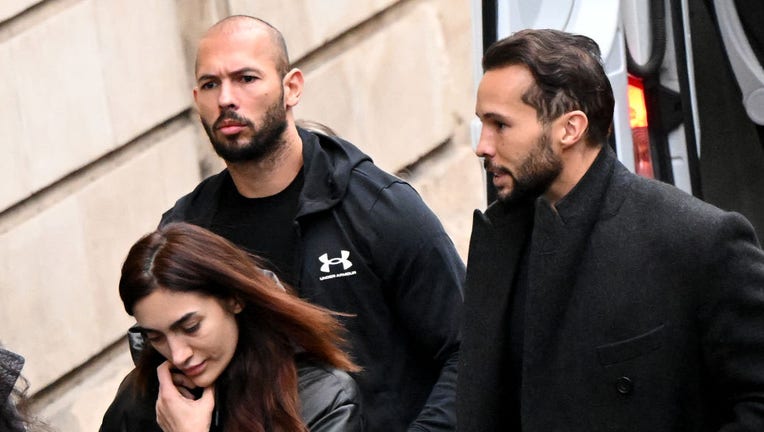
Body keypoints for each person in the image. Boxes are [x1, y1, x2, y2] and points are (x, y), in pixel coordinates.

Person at [155, 15, 464, 431]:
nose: (227, 98)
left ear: (291, 87)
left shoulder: (377, 208)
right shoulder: (188, 230)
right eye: (211, 84)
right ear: (197, 99)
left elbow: (468, 351)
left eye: (246, 78)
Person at [457, 28, 764, 431]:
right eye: (482, 123)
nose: (483, 145)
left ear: (570, 129)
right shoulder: (501, 239)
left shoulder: (696, 239)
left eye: (500, 125)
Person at [100, 222, 363, 432]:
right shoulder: (140, 400)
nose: (178, 354)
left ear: (234, 299)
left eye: (191, 327)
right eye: (155, 337)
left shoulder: (321, 399)